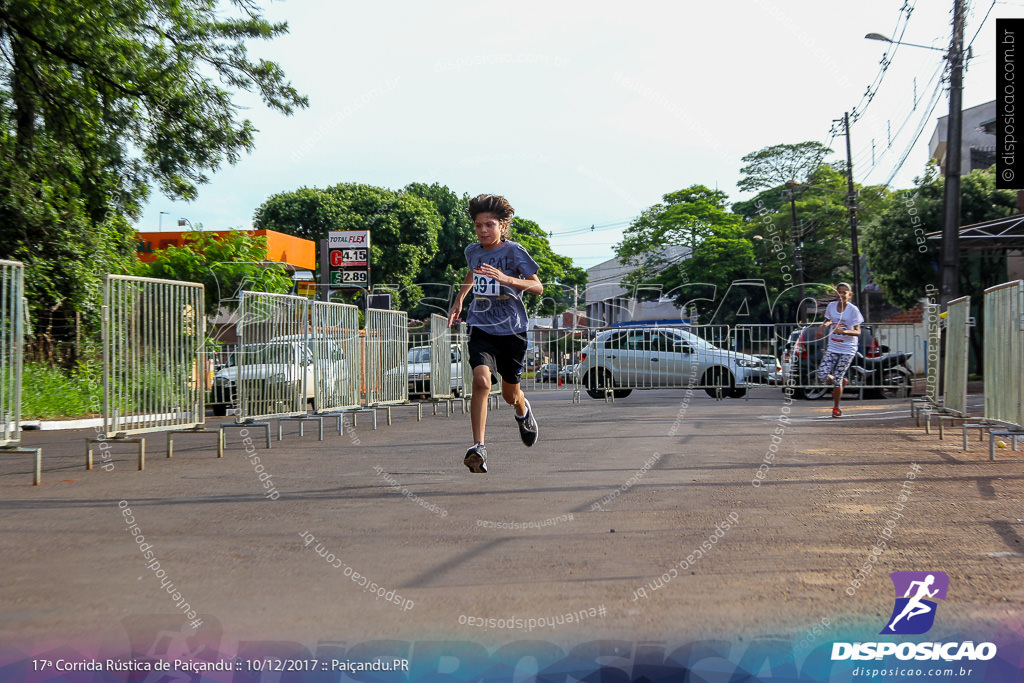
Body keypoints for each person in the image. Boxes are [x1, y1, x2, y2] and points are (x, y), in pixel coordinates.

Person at [447, 194, 543, 473]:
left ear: (502, 226)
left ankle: (522, 409)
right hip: (481, 326)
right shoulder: (472, 251)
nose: (483, 230)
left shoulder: (514, 252)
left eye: (489, 224)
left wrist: (506, 279)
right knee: (481, 381)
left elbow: (538, 287)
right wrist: (460, 299)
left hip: (512, 330)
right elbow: (473, 273)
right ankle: (479, 447)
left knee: (509, 394)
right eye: (478, 225)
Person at [816, 282, 864, 418]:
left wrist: (843, 331)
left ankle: (836, 408)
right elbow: (828, 319)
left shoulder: (853, 310)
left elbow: (858, 332)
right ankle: (841, 382)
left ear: (850, 295)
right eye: (839, 292)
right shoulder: (831, 306)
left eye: (844, 292)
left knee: (837, 378)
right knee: (822, 374)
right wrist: (822, 327)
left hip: (848, 349)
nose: (841, 295)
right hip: (833, 346)